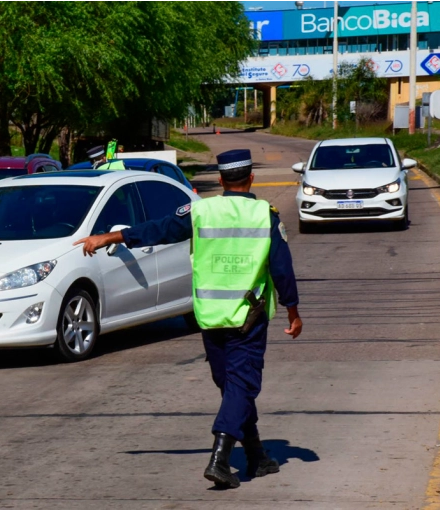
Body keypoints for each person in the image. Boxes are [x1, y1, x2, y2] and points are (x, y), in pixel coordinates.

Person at [74, 148, 302, 489]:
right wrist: (293, 310)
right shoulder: (263, 215)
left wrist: (111, 236)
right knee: (239, 387)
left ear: (222, 180)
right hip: (247, 317)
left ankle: (257, 457)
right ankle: (220, 460)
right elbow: (281, 268)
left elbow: (160, 229)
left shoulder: (200, 209)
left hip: (209, 318)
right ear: (250, 178)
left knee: (233, 388)